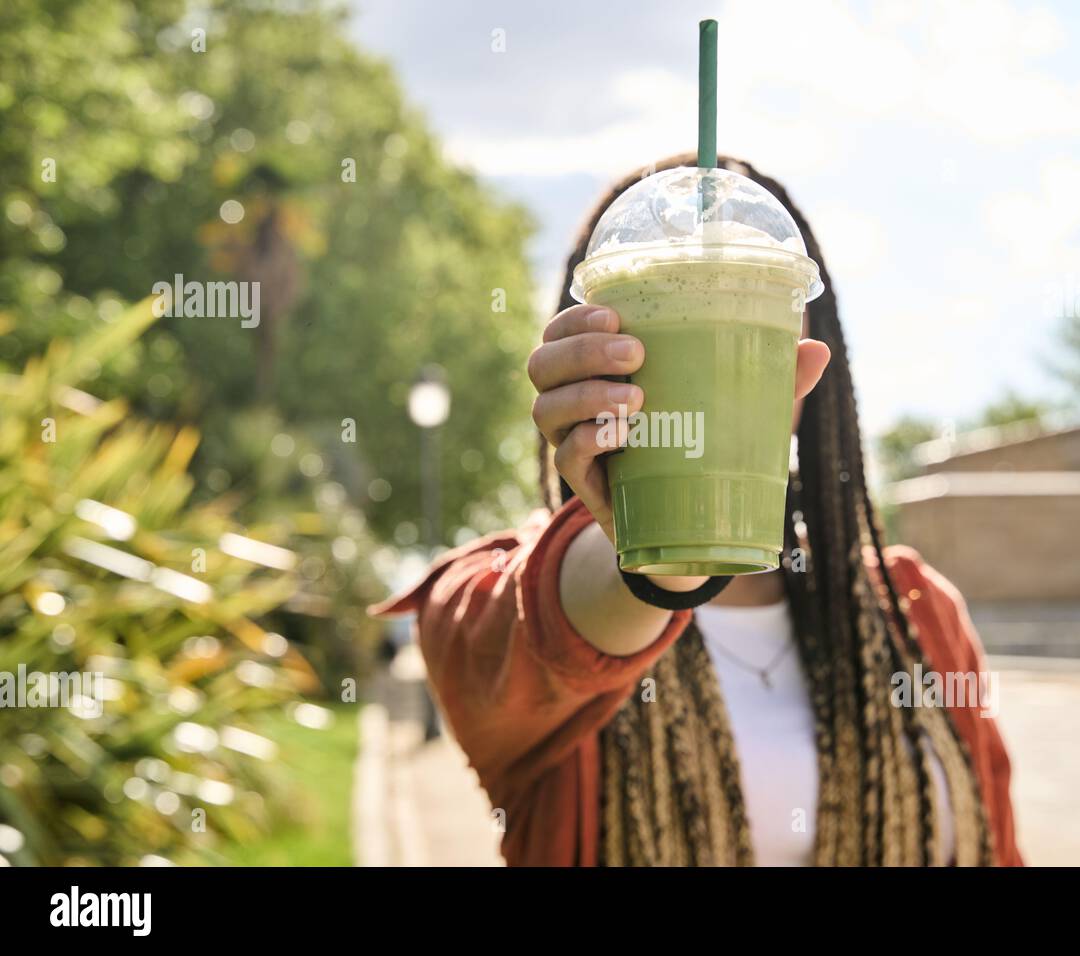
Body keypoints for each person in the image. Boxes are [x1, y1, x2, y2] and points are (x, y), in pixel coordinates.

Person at [372, 154, 1022, 866]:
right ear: (589, 349)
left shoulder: (917, 612)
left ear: (803, 351)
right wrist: (660, 550)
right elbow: (556, 628)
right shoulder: (493, 605)